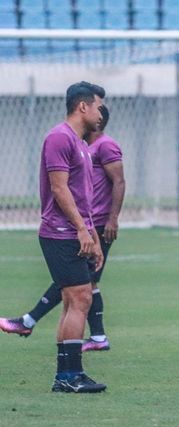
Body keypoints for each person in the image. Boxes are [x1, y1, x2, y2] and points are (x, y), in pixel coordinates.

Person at [0, 105, 125, 353]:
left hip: (93, 223)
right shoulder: (71, 142)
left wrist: (111, 219)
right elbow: (64, 188)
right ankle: (92, 342)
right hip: (80, 224)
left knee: (81, 285)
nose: (98, 113)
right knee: (81, 286)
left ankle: (32, 322)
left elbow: (119, 181)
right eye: (95, 106)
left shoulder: (105, 145)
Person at [39, 82, 107, 392]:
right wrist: (81, 229)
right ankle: (69, 376)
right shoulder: (59, 137)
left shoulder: (79, 142)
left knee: (72, 300)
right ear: (83, 107)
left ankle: (66, 375)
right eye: (98, 106)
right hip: (60, 232)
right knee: (80, 298)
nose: (100, 112)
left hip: (76, 231)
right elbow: (59, 188)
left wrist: (92, 233)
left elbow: (82, 196)